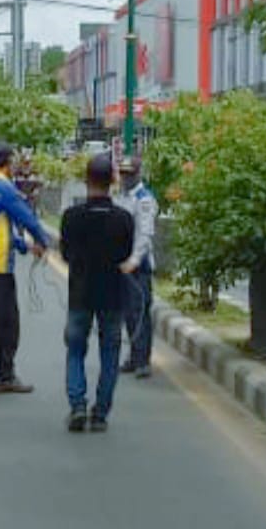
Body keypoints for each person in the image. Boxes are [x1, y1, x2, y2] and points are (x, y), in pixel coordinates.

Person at [60, 153, 134, 432]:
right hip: (113, 296)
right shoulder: (123, 219)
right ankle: (101, 413)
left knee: (76, 350)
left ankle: (77, 405)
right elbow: (125, 254)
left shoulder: (71, 217)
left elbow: (66, 254)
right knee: (110, 353)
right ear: (113, 181)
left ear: (85, 180)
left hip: (80, 294)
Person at [0, 140, 50, 394]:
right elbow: (27, 217)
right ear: (6, 163)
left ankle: (4, 374)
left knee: (3, 323)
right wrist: (43, 241)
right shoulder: (3, 188)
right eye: (13, 161)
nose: (15, 166)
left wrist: (24, 246)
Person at [117, 156, 159, 379]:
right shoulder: (122, 197)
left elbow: (145, 234)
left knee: (140, 312)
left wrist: (134, 260)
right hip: (123, 264)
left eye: (129, 174)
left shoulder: (144, 199)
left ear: (138, 174)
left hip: (138, 265)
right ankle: (134, 357)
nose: (125, 178)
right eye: (123, 173)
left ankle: (143, 360)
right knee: (128, 314)